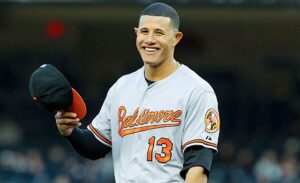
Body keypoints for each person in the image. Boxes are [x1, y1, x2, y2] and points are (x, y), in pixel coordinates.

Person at [55, 2, 220, 183]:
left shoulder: (197, 91)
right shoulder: (121, 87)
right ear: (136, 34)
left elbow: (197, 171)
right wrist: (71, 131)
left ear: (176, 38)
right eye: (144, 32)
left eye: (159, 33)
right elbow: (95, 146)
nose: (149, 39)